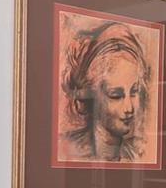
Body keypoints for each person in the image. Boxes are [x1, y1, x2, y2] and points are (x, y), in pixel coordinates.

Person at [58, 21, 154, 163]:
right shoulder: (65, 149)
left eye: (134, 92)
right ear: (91, 97)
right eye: (116, 96)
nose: (130, 108)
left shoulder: (139, 154)